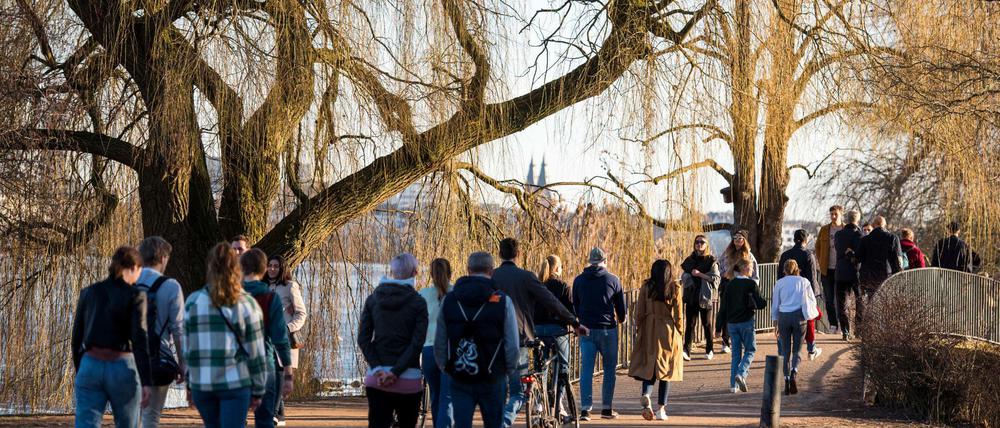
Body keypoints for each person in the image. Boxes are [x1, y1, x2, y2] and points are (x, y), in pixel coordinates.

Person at [492, 238, 585, 426]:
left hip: (493, 340)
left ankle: (505, 416)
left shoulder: (491, 277)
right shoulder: (526, 277)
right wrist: (574, 322)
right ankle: (506, 421)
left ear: (500, 254)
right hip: (519, 339)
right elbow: (551, 301)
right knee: (518, 391)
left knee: (497, 389)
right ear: (518, 254)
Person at [185, 243, 268, 428]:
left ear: (209, 267)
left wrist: (190, 383)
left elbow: (188, 349)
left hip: (203, 383)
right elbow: (256, 352)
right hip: (235, 382)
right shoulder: (247, 304)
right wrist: (259, 388)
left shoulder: (193, 302)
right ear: (237, 269)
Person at [434, 252, 519, 428]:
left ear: (468, 269)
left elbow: (440, 339)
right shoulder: (503, 301)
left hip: (460, 373)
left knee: (461, 423)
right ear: (491, 270)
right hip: (493, 375)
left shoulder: (450, 300)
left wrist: (446, 367)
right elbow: (511, 342)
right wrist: (507, 370)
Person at [72, 246, 152, 428]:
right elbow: (139, 339)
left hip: (90, 363)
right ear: (134, 267)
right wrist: (146, 381)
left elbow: (76, 337)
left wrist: (81, 368)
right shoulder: (136, 295)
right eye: (139, 271)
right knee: (127, 423)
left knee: (86, 424)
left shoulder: (89, 292)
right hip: (121, 366)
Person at [358, 253, 429, 428]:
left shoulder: (373, 299)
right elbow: (417, 343)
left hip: (377, 379)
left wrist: (377, 368)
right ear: (415, 272)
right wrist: (396, 372)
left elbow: (363, 339)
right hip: (408, 378)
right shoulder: (419, 303)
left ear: (392, 271)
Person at [136, 237, 187, 428]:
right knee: (151, 417)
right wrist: (182, 363)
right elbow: (178, 329)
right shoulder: (171, 286)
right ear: (164, 258)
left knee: (127, 416)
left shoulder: (128, 281)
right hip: (158, 360)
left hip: (126, 359)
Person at [573, 247, 626, 420]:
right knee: (609, 368)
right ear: (605, 261)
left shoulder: (579, 280)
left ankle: (585, 409)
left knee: (586, 370)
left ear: (590, 261)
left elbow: (575, 305)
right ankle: (606, 409)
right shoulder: (613, 280)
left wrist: (581, 320)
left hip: (586, 329)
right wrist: (621, 318)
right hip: (607, 330)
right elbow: (621, 308)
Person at [628, 259, 684, 421]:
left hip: (649, 328)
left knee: (649, 366)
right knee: (666, 370)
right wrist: (680, 331)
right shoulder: (675, 288)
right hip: (667, 329)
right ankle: (661, 409)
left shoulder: (646, 287)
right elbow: (679, 314)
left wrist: (639, 328)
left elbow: (639, 311)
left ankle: (646, 394)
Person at [265, 255, 307, 427]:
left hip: (284, 339)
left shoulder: (290, 286)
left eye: (276, 266)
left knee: (279, 373)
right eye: (270, 265)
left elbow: (301, 313)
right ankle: (280, 416)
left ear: (282, 268)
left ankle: (273, 414)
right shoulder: (263, 286)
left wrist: (287, 328)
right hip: (267, 338)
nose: (272, 268)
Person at [532, 255, 574, 420]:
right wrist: (575, 324)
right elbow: (570, 311)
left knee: (540, 366)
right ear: (557, 269)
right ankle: (558, 404)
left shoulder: (536, 286)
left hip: (537, 331)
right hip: (557, 331)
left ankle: (539, 402)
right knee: (563, 366)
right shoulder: (563, 286)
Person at [716, 258, 765, 393]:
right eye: (751, 268)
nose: (752, 271)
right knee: (750, 350)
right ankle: (741, 373)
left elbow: (723, 307)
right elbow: (760, 303)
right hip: (746, 321)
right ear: (745, 268)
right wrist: (764, 302)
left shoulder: (730, 285)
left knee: (736, 354)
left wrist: (718, 327)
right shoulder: (751, 284)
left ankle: (733, 385)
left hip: (732, 323)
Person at [771, 260, 819, 396]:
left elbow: (775, 304)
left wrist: (775, 322)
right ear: (797, 269)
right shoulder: (804, 282)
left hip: (783, 317)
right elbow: (811, 300)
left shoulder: (779, 283)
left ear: (784, 270)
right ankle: (794, 372)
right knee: (797, 349)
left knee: (784, 350)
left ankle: (786, 379)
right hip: (799, 317)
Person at [417, 258, 454, 428]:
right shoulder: (456, 293)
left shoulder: (423, 294)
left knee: (436, 396)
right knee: (447, 397)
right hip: (449, 350)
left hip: (428, 351)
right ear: (450, 273)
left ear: (431, 274)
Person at [777, 230, 822, 360]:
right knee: (809, 320)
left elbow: (779, 276)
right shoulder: (808, 254)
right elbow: (812, 277)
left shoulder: (785, 255)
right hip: (804, 293)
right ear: (805, 240)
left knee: (783, 327)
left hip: (787, 295)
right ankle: (811, 348)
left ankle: (782, 354)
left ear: (794, 239)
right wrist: (815, 294)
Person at [716, 230, 759, 354]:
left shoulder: (749, 255)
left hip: (743, 288)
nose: (737, 240)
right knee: (726, 312)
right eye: (735, 238)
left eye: (740, 238)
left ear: (744, 240)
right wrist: (724, 274)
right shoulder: (727, 253)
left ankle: (744, 340)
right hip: (729, 286)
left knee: (743, 313)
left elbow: (755, 274)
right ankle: (725, 341)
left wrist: (753, 288)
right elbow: (719, 266)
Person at [680, 235, 720, 361]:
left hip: (704, 296)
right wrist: (688, 278)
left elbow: (716, 279)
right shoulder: (689, 260)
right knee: (690, 324)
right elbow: (683, 276)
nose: (699, 244)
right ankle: (686, 350)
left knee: (706, 324)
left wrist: (700, 274)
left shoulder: (711, 261)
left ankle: (709, 350)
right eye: (697, 242)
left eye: (702, 242)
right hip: (691, 295)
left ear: (706, 245)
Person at [834, 210, 864, 341]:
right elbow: (861, 254)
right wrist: (852, 253)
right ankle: (858, 331)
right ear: (857, 220)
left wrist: (847, 251)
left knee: (842, 303)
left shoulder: (838, 235)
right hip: (856, 272)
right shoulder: (860, 235)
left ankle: (845, 331)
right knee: (860, 301)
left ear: (847, 219)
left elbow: (838, 250)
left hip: (841, 271)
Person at [856, 216, 903, 299]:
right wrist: (899, 275)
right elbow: (898, 260)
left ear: (873, 225)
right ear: (885, 225)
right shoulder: (893, 238)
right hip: (887, 276)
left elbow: (858, 258)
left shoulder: (865, 240)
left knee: (872, 302)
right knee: (886, 301)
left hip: (869, 277)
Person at [815, 205, 844, 334]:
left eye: (836, 214)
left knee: (841, 298)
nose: (833, 216)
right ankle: (833, 324)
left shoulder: (845, 229)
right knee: (828, 298)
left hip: (841, 269)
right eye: (831, 214)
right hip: (827, 270)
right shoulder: (824, 229)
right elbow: (817, 247)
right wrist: (821, 261)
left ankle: (842, 323)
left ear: (841, 214)